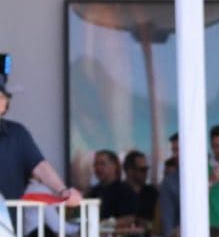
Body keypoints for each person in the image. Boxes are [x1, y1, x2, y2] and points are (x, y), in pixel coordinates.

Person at [0, 54, 82, 213]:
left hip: (8, 232)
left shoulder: (17, 134)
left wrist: (63, 191)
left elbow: (40, 166)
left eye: (0, 98)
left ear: (5, 105)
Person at [87, 149, 138, 221]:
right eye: (96, 164)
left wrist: (105, 224)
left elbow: (129, 218)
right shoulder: (93, 192)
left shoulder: (125, 192)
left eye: (102, 164)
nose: (98, 168)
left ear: (114, 166)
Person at [123, 149, 159, 229]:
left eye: (146, 169)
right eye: (142, 169)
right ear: (130, 170)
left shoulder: (151, 192)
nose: (146, 173)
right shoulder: (117, 192)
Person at [158, 134, 180, 237]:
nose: (175, 155)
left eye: (179, 150)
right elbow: (168, 223)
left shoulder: (214, 174)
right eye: (174, 151)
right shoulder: (169, 182)